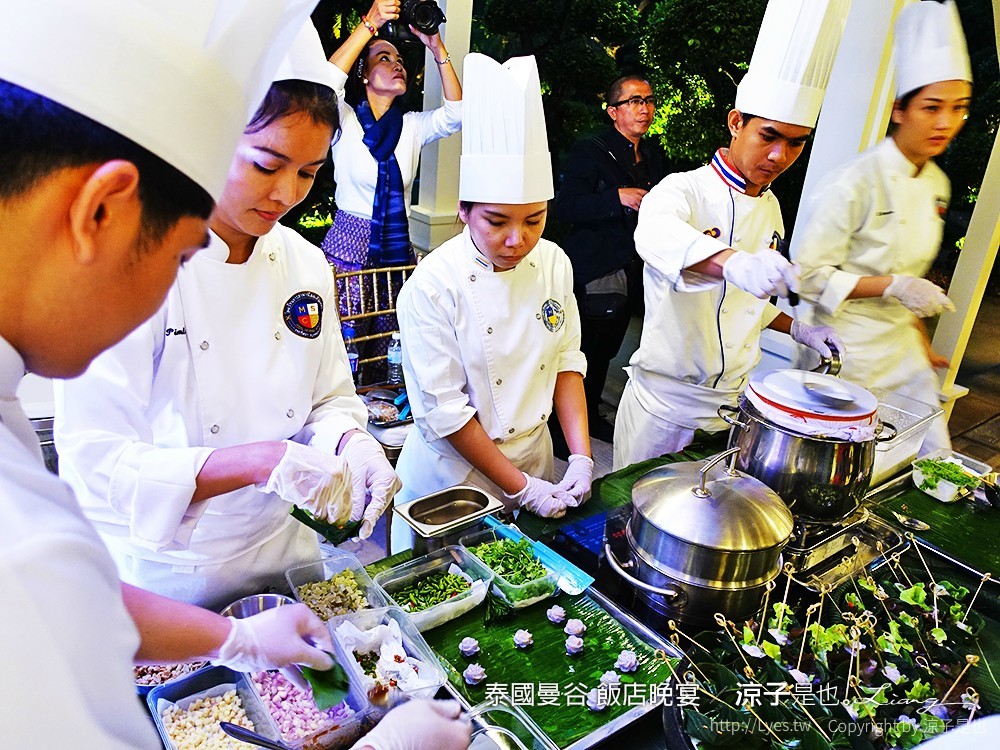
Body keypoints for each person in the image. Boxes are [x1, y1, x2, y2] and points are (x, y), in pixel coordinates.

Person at [0, 3, 340, 746]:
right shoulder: (19, 549)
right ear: (102, 210)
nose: (171, 291)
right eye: (184, 255)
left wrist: (237, 642)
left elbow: (77, 601)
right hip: (177, 562)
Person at [55, 24, 401, 610]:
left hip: (287, 554)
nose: (286, 194)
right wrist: (261, 462)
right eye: (267, 164)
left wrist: (351, 439)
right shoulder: (131, 263)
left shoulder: (303, 261)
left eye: (309, 173)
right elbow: (95, 458)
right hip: (173, 570)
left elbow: (328, 397)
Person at [613, 0, 851, 470]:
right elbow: (654, 234)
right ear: (736, 122)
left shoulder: (773, 207)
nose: (781, 155)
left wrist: (798, 328)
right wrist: (733, 262)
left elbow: (747, 306)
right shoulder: (683, 188)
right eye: (770, 135)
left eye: (797, 142)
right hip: (665, 405)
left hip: (732, 410)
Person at [391, 54, 593, 552]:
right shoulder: (433, 286)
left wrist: (582, 457)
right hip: (452, 484)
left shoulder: (554, 263)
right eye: (497, 221)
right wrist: (520, 489)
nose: (516, 240)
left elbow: (566, 362)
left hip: (536, 460)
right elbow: (448, 413)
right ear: (463, 211)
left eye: (534, 219)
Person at [792, 0, 972, 456]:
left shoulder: (937, 183)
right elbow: (809, 277)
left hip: (901, 355)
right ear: (899, 110)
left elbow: (908, 274)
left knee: (926, 460)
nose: (946, 122)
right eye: (932, 107)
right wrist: (895, 285)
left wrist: (918, 336)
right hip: (843, 352)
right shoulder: (852, 183)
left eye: (959, 109)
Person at [321, 0, 462, 381]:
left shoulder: (412, 127)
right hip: (349, 249)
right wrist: (371, 24)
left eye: (399, 58)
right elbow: (324, 82)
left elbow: (457, 114)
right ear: (364, 74)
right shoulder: (345, 120)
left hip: (396, 251)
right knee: (341, 347)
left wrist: (435, 46)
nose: (396, 63)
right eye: (384, 58)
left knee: (392, 345)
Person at [555, 74, 666, 443]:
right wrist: (616, 197)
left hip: (635, 268)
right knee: (582, 349)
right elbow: (566, 207)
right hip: (596, 267)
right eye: (634, 101)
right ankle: (561, 426)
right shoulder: (591, 149)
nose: (644, 108)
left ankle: (589, 414)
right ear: (613, 111)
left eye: (649, 100)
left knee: (608, 350)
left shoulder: (652, 156)